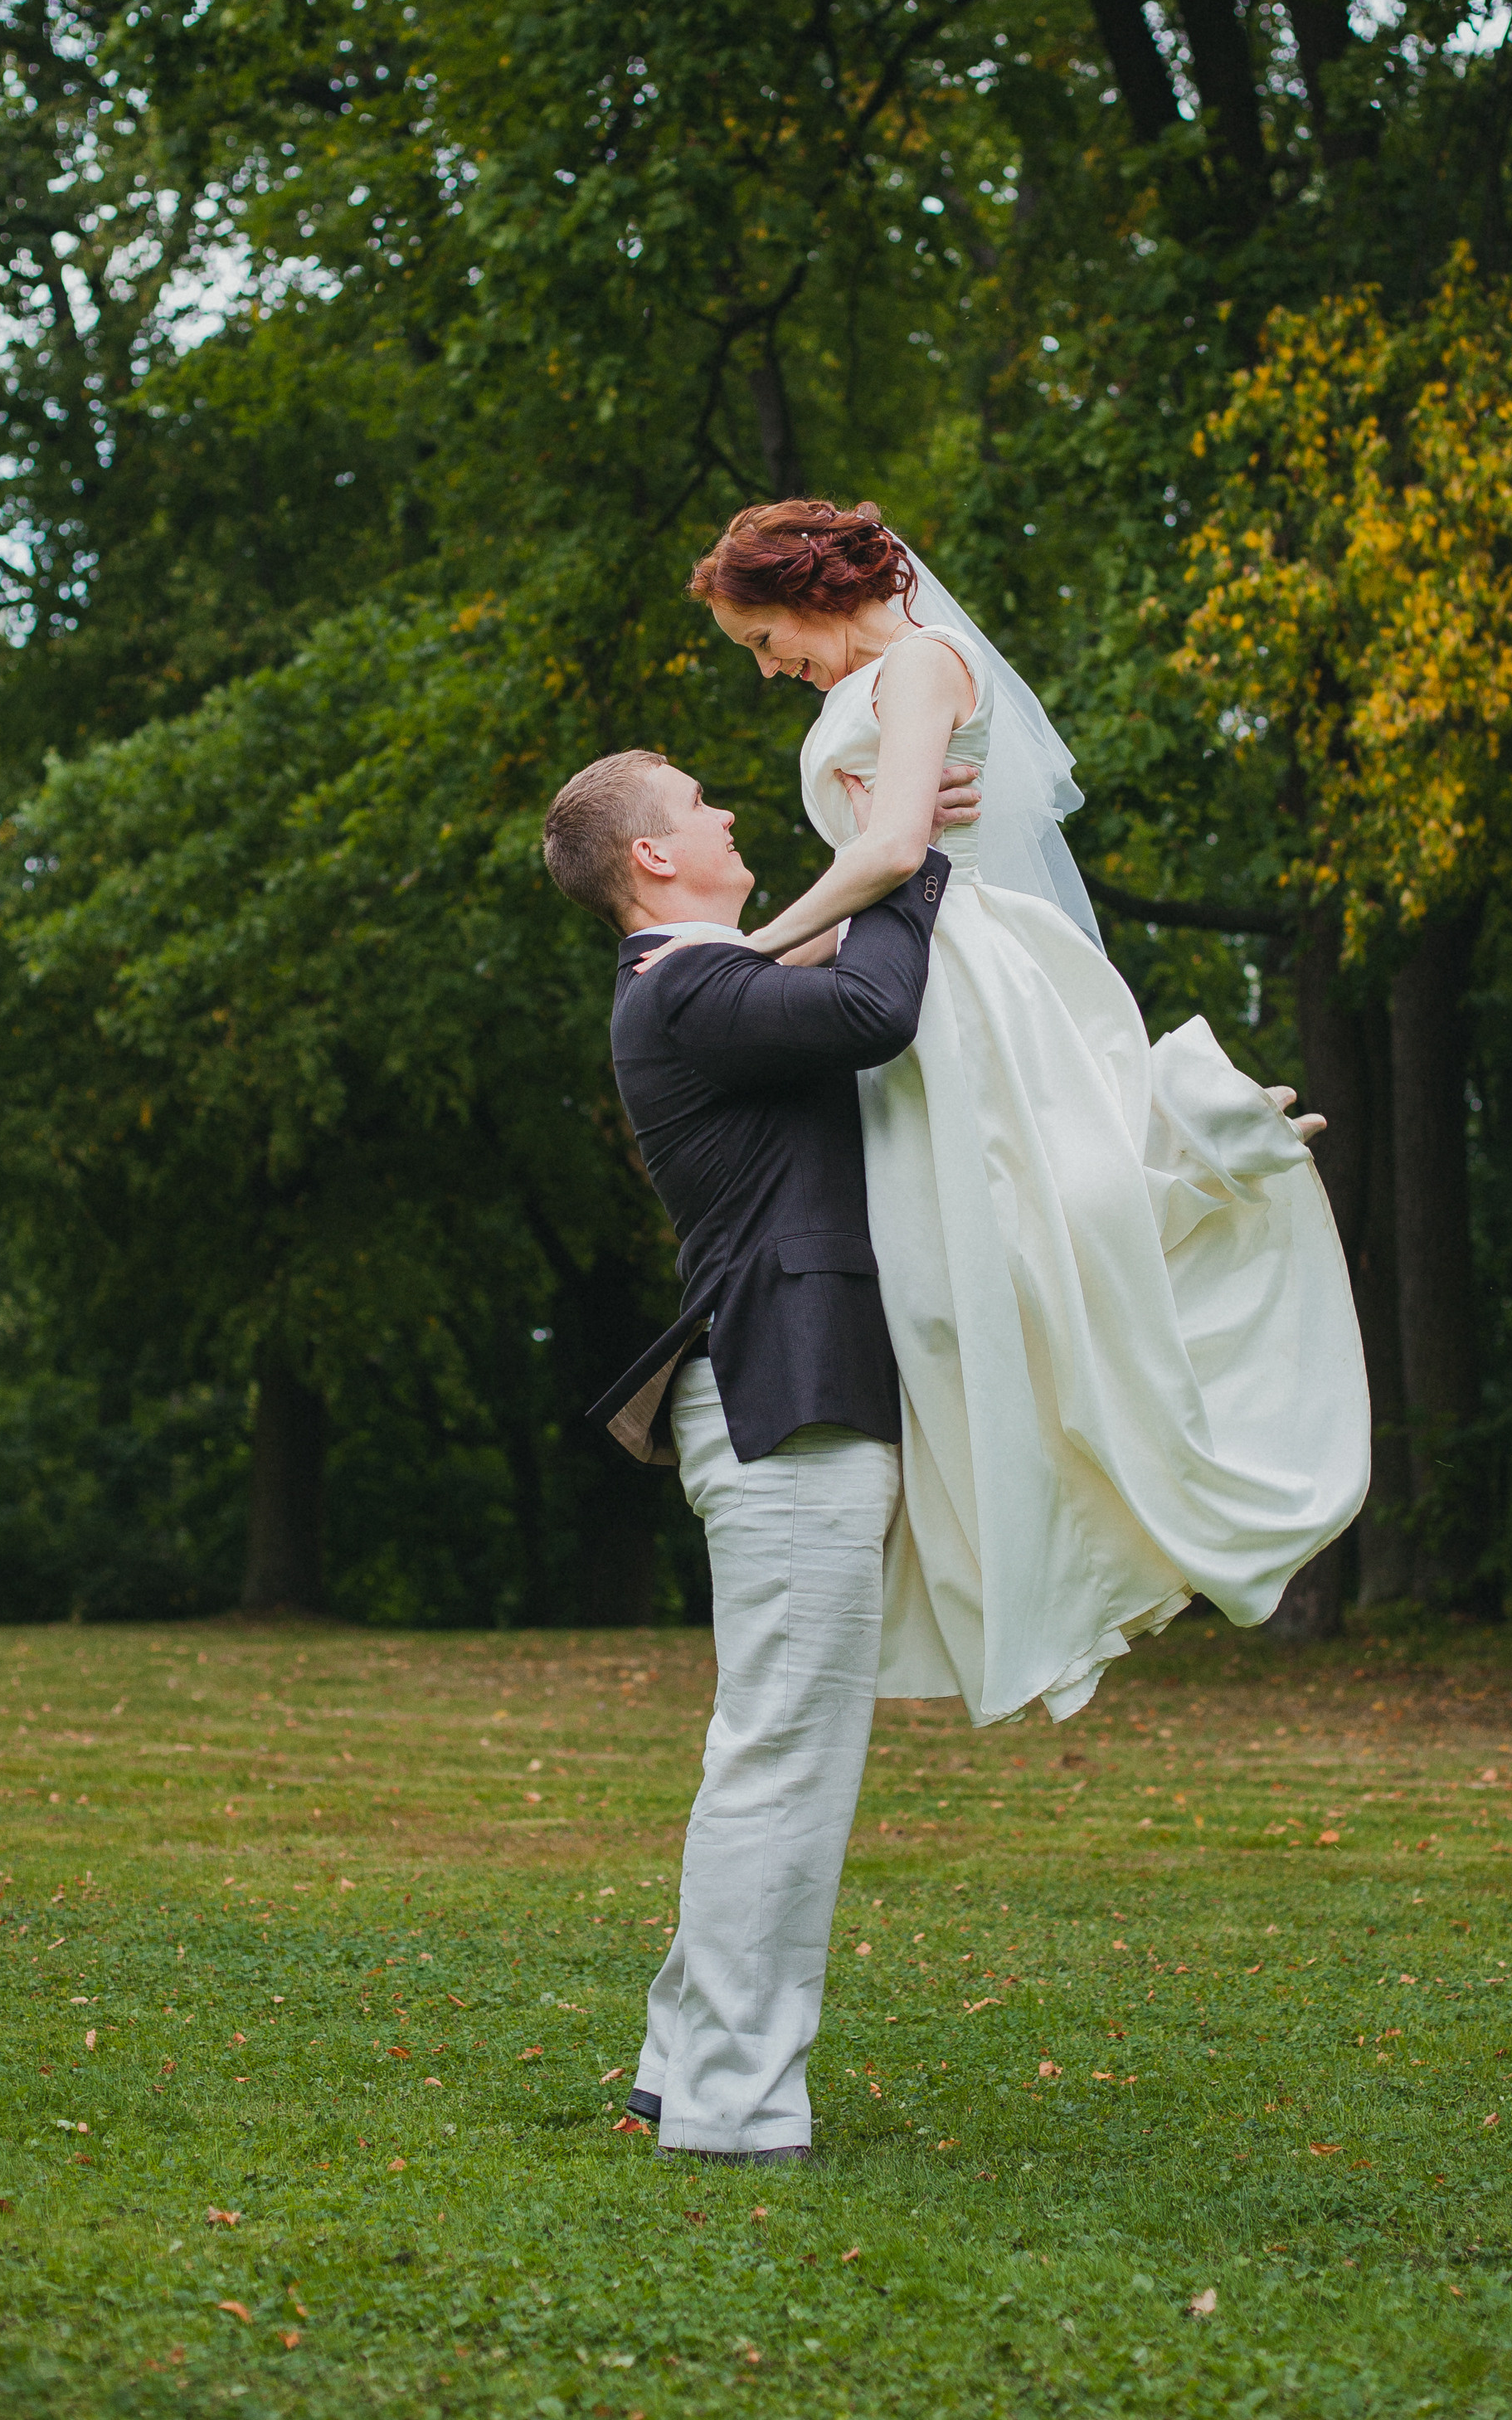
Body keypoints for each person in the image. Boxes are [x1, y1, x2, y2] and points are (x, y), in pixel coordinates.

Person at [680, 498, 1371, 1730]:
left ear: (808, 588)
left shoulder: (922, 665)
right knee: (951, 1293)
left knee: (1014, 1253)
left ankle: (1206, 1163)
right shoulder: (876, 685)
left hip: (969, 981)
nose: (767, 665)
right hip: (904, 970)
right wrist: (741, 972)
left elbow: (893, 847)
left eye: (760, 636)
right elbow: (883, 867)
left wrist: (746, 952)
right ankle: (1028, 1550)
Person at [540, 743, 971, 2164]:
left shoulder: (709, 981)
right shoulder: (687, 986)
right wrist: (905, 866)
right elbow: (869, 1009)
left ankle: (685, 2060)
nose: (729, 812)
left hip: (789, 1395)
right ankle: (730, 2102)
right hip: (783, 1400)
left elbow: (828, 965)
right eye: (700, 804)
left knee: (771, 1749)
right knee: (783, 1757)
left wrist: (898, 842)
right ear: (653, 859)